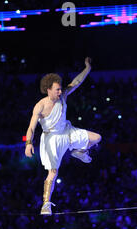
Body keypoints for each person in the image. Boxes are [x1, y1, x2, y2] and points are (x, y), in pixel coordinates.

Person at [24, 57, 102, 215]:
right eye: (57, 89)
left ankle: (79, 152)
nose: (60, 91)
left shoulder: (63, 96)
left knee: (97, 138)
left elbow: (76, 82)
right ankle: (46, 204)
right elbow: (31, 127)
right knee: (53, 172)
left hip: (67, 131)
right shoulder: (40, 106)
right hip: (51, 139)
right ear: (49, 90)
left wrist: (87, 68)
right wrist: (29, 143)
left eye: (60, 89)